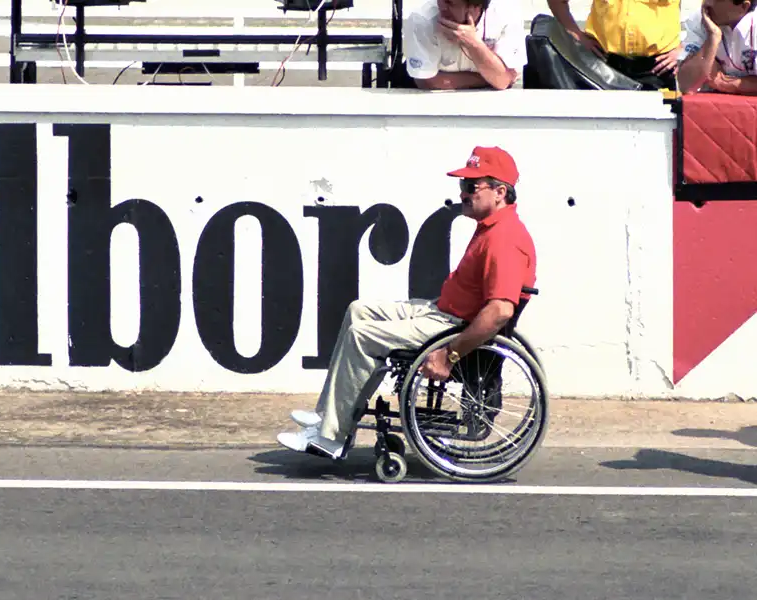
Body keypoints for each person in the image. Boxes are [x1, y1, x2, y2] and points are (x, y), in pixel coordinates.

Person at [277, 146, 537, 459]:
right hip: (442, 312)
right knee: (358, 310)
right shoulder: (491, 228)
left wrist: (449, 355)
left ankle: (331, 437)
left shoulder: (505, 239)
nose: (463, 194)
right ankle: (329, 415)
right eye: (462, 185)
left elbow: (500, 311)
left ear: (500, 192)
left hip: (451, 326)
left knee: (362, 336)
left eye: (471, 186)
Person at [545, 0, 683, 90]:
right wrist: (575, 33)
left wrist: (684, 49)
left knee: (657, 124)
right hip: (602, 65)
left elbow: (698, 16)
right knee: (601, 123)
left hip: (658, 68)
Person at [402, 0, 526, 90]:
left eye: (449, 2)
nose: (442, 6)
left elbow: (504, 80)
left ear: (475, 7)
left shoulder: (507, 13)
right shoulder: (422, 19)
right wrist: (490, 77)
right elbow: (426, 81)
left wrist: (473, 43)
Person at [677, 0, 757, 94]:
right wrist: (713, 37)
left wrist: (725, 84)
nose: (707, 3)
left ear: (744, 6)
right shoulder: (701, 19)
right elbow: (687, 85)